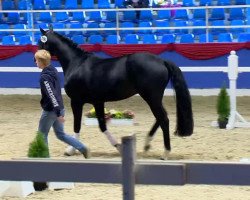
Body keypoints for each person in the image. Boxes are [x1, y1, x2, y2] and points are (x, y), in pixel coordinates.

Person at [34, 49, 90, 158]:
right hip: (60, 107)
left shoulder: (44, 77)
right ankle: (82, 148)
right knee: (61, 134)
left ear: (41, 62)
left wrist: (58, 112)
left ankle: (45, 161)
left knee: (41, 135)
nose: (35, 62)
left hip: (51, 111)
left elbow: (51, 94)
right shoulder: (53, 70)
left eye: (36, 60)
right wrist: (59, 110)